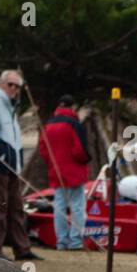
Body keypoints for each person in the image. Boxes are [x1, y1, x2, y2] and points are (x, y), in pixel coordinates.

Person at [0, 69, 41, 260]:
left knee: (16, 208)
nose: (14, 89)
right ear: (1, 84)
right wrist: (3, 153)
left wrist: (16, 159)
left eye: (17, 86)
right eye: (11, 84)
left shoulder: (11, 106)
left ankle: (22, 249)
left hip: (12, 165)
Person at [38, 95, 91, 250]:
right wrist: (85, 160)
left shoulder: (48, 125)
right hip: (74, 171)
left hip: (56, 171)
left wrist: (52, 164)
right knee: (77, 207)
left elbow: (43, 150)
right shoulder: (74, 124)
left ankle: (61, 241)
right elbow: (80, 151)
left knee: (59, 207)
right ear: (72, 107)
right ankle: (75, 241)